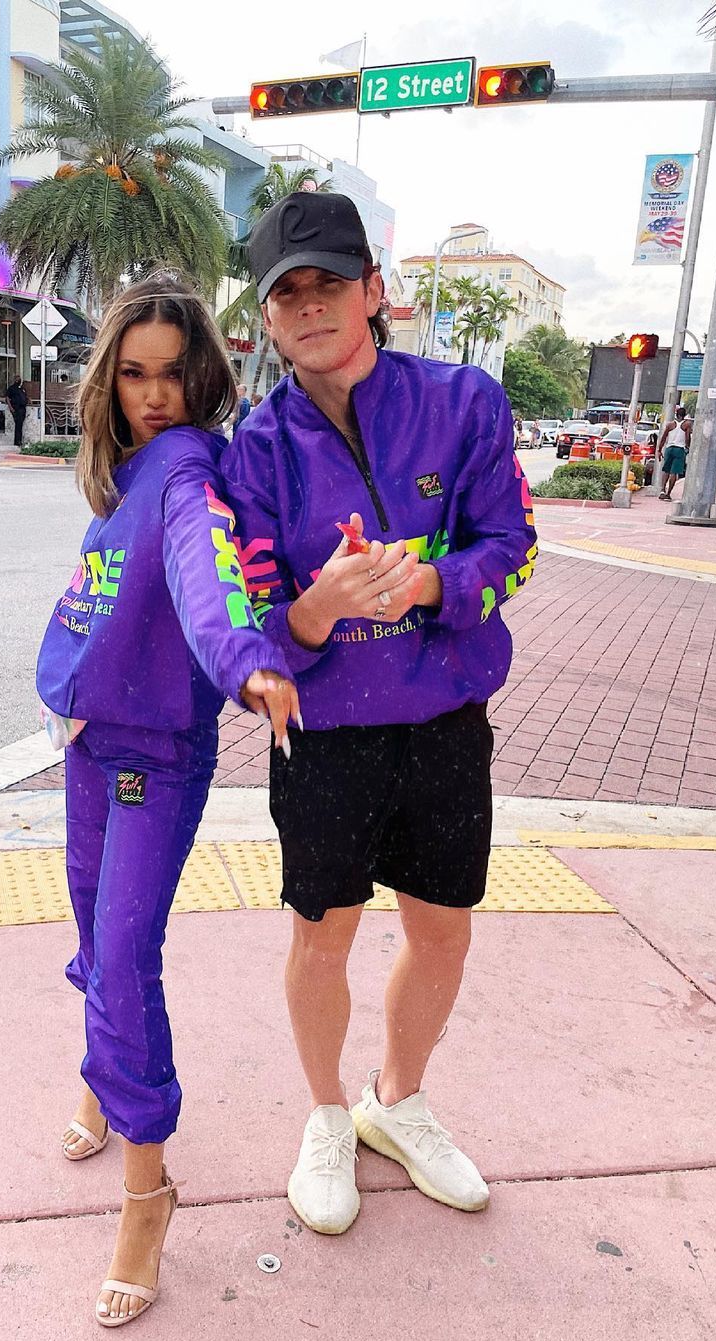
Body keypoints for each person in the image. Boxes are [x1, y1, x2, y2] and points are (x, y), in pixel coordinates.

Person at [221, 191, 538, 1237]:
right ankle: (326, 1115)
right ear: (270, 319)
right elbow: (249, 613)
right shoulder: (256, 448)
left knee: (441, 929)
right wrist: (316, 610)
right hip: (323, 737)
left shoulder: (465, 402)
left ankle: (396, 1101)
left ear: (373, 291)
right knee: (322, 937)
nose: (310, 307)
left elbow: (516, 544)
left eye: (328, 284)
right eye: (288, 294)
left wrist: (432, 585)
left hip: (444, 722)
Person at [35, 272, 299, 1328]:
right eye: (136, 374)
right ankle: (100, 1079)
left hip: (156, 757)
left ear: (203, 380)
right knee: (91, 930)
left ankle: (147, 1198)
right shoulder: (128, 474)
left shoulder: (188, 469)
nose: (155, 394)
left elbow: (205, 569)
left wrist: (244, 658)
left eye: (174, 375)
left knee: (125, 956)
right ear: (111, 380)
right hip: (92, 745)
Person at [657, 406, 691, 500]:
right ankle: (668, 493)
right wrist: (688, 447)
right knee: (674, 472)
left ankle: (662, 490)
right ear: (684, 415)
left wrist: (659, 450)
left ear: (676, 414)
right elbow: (687, 438)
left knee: (666, 470)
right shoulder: (687, 425)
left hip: (669, 448)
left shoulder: (670, 424)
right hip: (680, 449)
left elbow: (663, 437)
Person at [5, 374, 29, 447]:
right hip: (16, 409)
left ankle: (19, 440)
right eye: (17, 379)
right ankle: (17, 441)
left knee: (20, 425)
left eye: (19, 379)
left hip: (23, 408)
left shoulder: (22, 389)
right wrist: (11, 408)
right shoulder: (11, 388)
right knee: (18, 425)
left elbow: (25, 397)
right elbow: (7, 398)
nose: (18, 380)